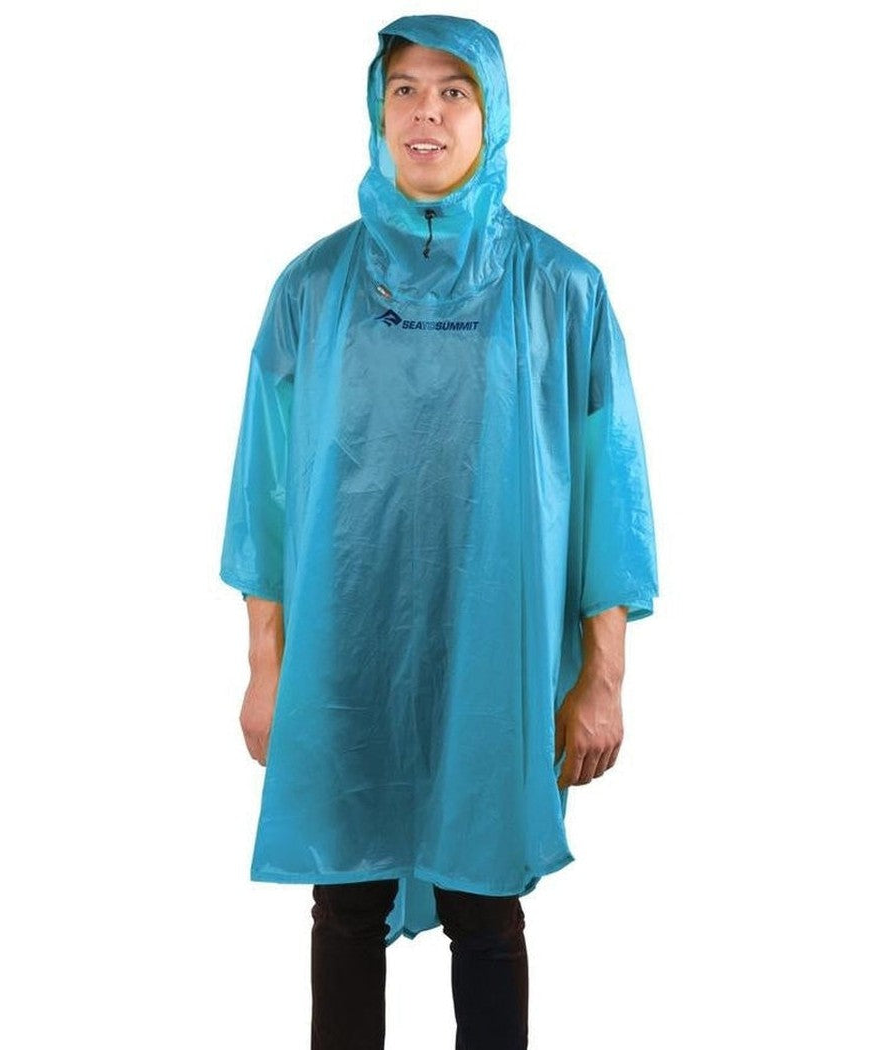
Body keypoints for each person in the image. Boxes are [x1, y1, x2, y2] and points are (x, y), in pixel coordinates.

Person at [219, 14, 658, 1049]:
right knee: (344, 900)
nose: (427, 113)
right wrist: (265, 669)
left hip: (495, 657)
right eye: (405, 90)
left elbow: (612, 494)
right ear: (378, 115)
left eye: (454, 91)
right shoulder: (311, 291)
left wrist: (603, 678)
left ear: (491, 115)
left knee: (485, 906)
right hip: (346, 659)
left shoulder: (562, 291)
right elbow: (264, 497)